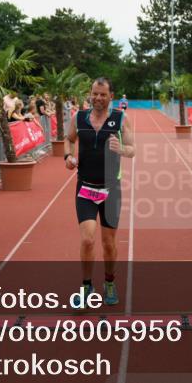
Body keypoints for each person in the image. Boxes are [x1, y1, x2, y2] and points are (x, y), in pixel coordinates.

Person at [64, 77, 135, 307]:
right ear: (90, 94)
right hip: (85, 186)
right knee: (87, 240)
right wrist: (68, 156)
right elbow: (68, 139)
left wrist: (121, 148)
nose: (98, 98)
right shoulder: (79, 117)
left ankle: (109, 281)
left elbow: (132, 150)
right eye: (95, 93)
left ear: (111, 96)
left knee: (109, 244)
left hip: (110, 189)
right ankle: (86, 286)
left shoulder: (121, 119)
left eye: (103, 94)